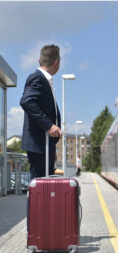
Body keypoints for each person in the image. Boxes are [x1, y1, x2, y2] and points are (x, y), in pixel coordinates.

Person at [20, 44, 62, 180]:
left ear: (40, 60)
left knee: (44, 190)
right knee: (38, 189)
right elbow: (27, 101)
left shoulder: (44, 80)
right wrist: (49, 125)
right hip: (39, 144)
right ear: (56, 62)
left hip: (44, 144)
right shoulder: (37, 78)